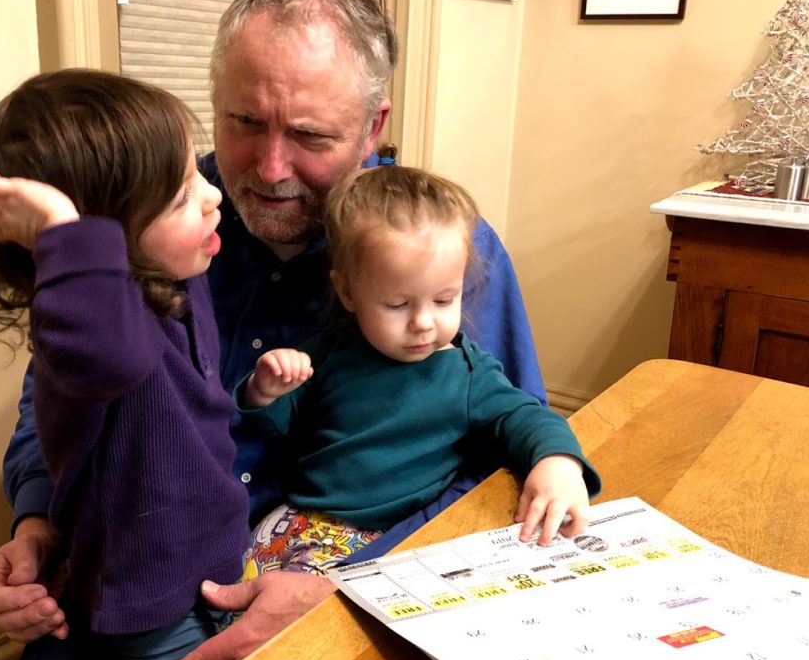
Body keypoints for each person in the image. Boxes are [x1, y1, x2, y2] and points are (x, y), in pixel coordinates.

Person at [0, 0, 550, 660]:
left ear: (373, 127)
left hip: (358, 584)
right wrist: (35, 527)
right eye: (245, 121)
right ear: (213, 100)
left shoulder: (443, 256)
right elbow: (54, 404)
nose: (269, 167)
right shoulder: (149, 221)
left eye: (310, 135)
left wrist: (347, 589)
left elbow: (502, 471)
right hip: (127, 585)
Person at [0, 69, 252, 660]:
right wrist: (61, 232)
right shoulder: (90, 337)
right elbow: (111, 353)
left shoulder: (176, 275)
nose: (213, 196)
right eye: (179, 197)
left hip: (210, 558)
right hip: (150, 599)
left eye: (196, 177)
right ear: (98, 248)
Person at [238, 165, 601, 577]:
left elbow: (525, 417)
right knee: (233, 601)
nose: (423, 323)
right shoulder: (327, 353)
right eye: (397, 305)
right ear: (348, 292)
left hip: (386, 541)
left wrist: (558, 463)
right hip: (298, 518)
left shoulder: (466, 372)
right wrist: (263, 390)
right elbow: (272, 428)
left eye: (445, 300)